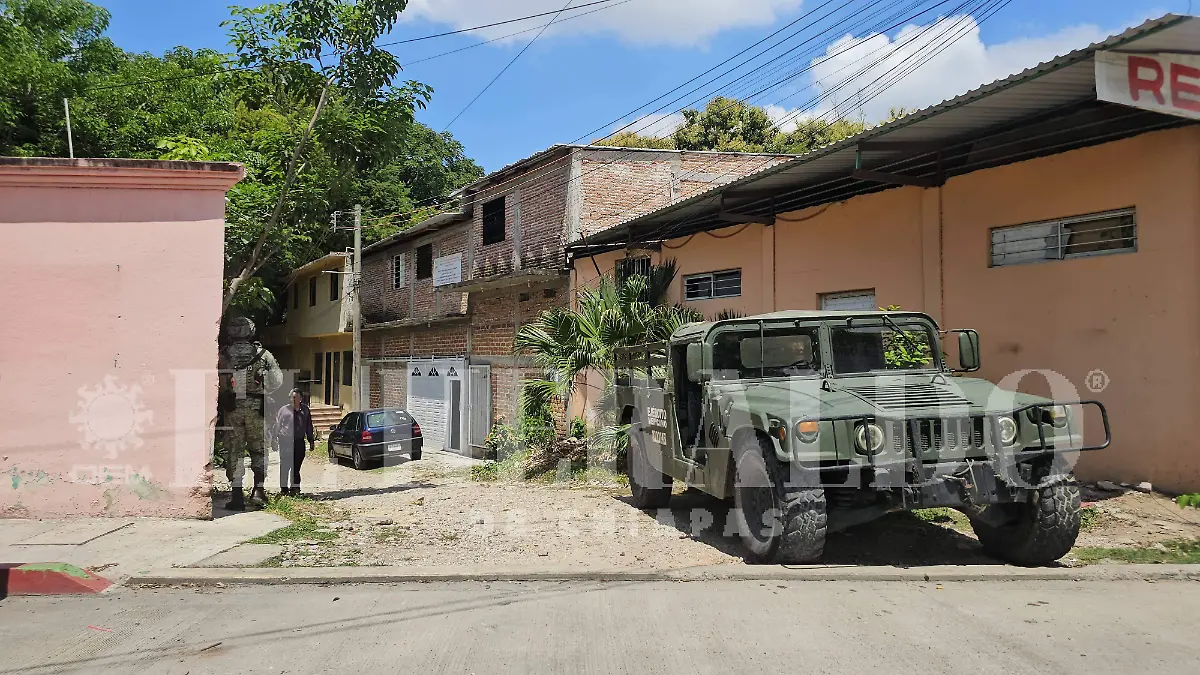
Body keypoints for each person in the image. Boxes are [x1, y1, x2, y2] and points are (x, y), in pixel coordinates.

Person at [217, 316, 283, 511]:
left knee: (234, 450)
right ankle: (258, 492)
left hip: (232, 409)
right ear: (251, 331)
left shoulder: (223, 354)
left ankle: (237, 496)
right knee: (259, 449)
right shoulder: (263, 354)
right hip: (257, 408)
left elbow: (217, 381)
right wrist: (263, 388)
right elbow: (277, 380)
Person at [275, 388, 315, 496]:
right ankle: (284, 489)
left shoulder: (305, 410)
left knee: (296, 467)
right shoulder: (284, 410)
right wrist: (274, 439)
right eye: (291, 397)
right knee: (285, 466)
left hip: (299, 442)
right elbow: (277, 425)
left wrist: (311, 440)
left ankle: (295, 488)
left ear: (300, 398)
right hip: (285, 442)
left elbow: (309, 426)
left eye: (294, 397)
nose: (292, 399)